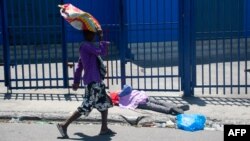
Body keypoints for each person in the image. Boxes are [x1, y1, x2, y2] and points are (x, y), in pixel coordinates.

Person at [56, 30, 115, 138]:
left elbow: (79, 67)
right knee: (86, 106)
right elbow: (101, 52)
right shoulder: (86, 46)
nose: (93, 36)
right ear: (86, 34)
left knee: (103, 103)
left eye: (93, 34)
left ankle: (104, 128)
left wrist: (76, 81)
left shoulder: (86, 48)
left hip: (96, 81)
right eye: (91, 33)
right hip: (92, 82)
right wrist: (102, 40)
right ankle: (64, 125)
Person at [117, 85, 189, 115]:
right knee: (159, 102)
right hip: (143, 97)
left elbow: (122, 102)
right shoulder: (130, 91)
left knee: (153, 106)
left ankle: (171, 109)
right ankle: (175, 106)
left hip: (140, 102)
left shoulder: (121, 96)